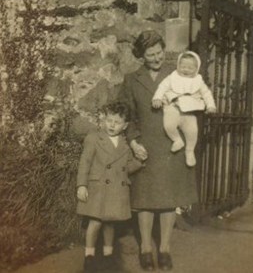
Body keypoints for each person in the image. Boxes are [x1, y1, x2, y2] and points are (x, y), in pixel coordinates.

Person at [121, 30, 198, 271]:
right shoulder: (131, 80)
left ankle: (164, 248)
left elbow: (194, 104)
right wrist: (133, 142)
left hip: (172, 144)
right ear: (141, 56)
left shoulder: (177, 75)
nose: (156, 58)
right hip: (146, 146)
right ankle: (145, 247)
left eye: (159, 52)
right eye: (150, 54)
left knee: (168, 200)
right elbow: (127, 116)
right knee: (144, 201)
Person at [76, 101, 145, 273]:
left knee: (110, 223)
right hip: (98, 188)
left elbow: (127, 167)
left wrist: (140, 162)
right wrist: (82, 185)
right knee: (95, 222)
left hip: (116, 189)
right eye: (109, 120)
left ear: (125, 126)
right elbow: (85, 163)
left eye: (117, 122)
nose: (112, 125)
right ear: (104, 120)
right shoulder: (94, 138)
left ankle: (108, 255)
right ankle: (89, 256)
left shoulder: (124, 144)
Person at [152, 51, 216, 167]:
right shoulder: (172, 77)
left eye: (190, 68)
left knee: (192, 131)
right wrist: (157, 98)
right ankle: (177, 140)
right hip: (173, 107)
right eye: (183, 67)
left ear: (196, 68)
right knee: (168, 125)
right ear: (178, 66)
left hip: (189, 111)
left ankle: (190, 151)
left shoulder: (198, 81)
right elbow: (162, 87)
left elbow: (206, 94)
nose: (186, 70)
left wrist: (211, 105)